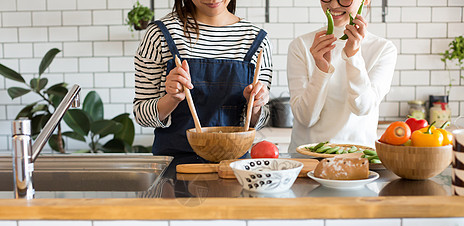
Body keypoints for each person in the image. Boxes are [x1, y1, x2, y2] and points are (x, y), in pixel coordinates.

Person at [133, 0, 272, 160]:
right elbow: (141, 115)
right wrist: (171, 99)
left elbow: (261, 120)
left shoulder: (257, 40)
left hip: (234, 168)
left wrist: (255, 105)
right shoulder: (159, 35)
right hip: (176, 168)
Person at [286, 0, 397, 152]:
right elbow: (306, 118)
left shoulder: (383, 49)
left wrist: (353, 56)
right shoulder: (301, 45)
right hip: (308, 158)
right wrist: (321, 70)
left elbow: (362, 108)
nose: (333, 5)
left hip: (357, 159)